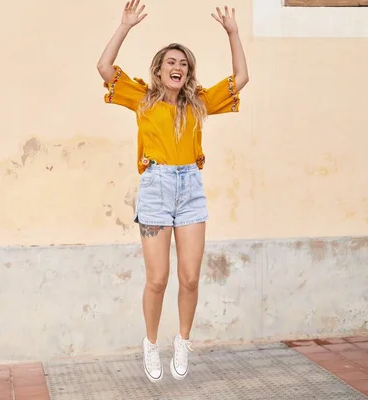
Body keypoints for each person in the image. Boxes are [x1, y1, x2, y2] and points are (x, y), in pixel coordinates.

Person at [97, 0, 249, 383]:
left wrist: (233, 33)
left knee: (191, 277)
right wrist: (124, 26)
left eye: (183, 64)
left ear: (188, 73)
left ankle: (182, 340)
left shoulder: (198, 103)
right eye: (171, 62)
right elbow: (103, 68)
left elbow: (241, 78)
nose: (178, 67)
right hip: (155, 187)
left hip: (190, 190)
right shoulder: (141, 99)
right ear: (159, 70)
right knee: (158, 279)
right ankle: (151, 344)